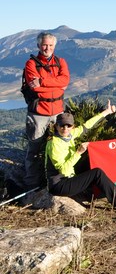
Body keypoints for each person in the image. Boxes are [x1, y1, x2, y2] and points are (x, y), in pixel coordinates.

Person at [46, 101, 116, 210]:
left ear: (72, 126)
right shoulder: (54, 144)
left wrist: (106, 112)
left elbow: (87, 126)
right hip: (60, 185)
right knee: (97, 173)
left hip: (70, 177)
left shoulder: (70, 135)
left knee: (90, 159)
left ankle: (98, 192)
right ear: (56, 126)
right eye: (62, 126)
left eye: (68, 126)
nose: (65, 129)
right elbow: (63, 170)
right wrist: (78, 153)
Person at [22, 32, 70, 190]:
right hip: (38, 113)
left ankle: (56, 181)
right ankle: (32, 184)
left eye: (50, 45)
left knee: (58, 147)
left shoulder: (60, 61)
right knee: (34, 148)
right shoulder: (31, 64)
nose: (47, 48)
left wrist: (42, 81)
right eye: (44, 45)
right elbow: (34, 86)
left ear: (54, 46)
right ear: (38, 45)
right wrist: (56, 84)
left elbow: (65, 81)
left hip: (57, 112)